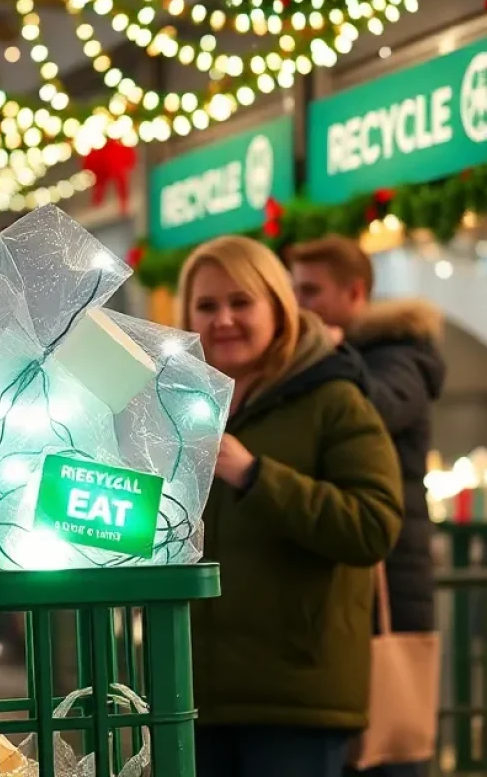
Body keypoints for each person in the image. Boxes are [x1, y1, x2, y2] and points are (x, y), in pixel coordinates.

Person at [178, 235, 403, 777]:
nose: (223, 319)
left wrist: (254, 475)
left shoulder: (334, 399)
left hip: (295, 697)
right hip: (191, 689)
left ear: (279, 307)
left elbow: (373, 525)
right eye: (207, 305)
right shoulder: (181, 403)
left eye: (241, 302)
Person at [290, 234, 444, 777]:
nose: (298, 303)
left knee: (390, 743)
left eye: (311, 290)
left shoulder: (402, 355)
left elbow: (374, 408)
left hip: (389, 575)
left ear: (355, 292)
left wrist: (332, 354)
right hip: (342, 573)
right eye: (292, 290)